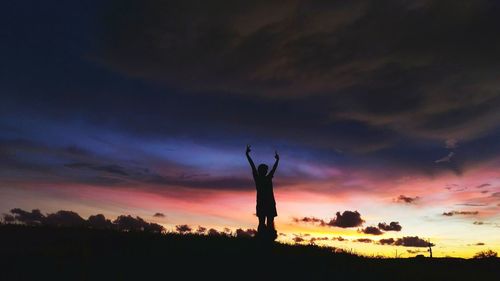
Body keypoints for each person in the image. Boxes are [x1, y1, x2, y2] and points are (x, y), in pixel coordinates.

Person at [245, 145, 279, 240]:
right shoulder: (259, 178)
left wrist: (277, 160)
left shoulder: (264, 178)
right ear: (261, 171)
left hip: (268, 203)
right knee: (263, 222)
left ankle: (267, 239)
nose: (265, 171)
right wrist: (247, 155)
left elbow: (273, 169)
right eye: (264, 170)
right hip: (264, 203)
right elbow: (252, 166)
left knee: (268, 223)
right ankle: (263, 239)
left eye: (265, 170)